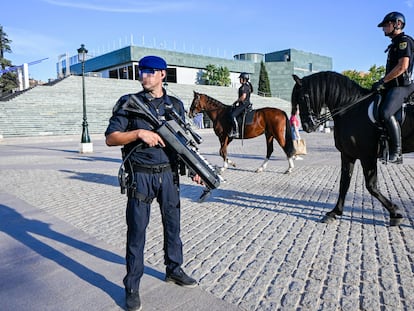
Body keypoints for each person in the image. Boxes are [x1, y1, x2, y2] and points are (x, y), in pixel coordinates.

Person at [105, 55, 201, 311]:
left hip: (169, 175)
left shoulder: (176, 105)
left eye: (149, 71)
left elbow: (182, 143)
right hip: (141, 176)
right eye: (141, 71)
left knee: (173, 227)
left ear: (162, 75)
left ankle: (174, 269)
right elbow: (111, 138)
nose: (144, 75)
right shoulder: (129, 103)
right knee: (137, 231)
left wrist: (194, 169)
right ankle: (132, 286)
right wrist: (138, 133)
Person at [373, 12, 414, 164]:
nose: (384, 28)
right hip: (392, 86)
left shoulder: (404, 41)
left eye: (386, 24)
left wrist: (383, 80)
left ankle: (396, 152)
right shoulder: (394, 44)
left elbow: (402, 67)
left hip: (403, 86)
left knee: (386, 112)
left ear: (397, 23)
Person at [229, 72, 253, 137]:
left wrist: (236, 102)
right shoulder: (248, 86)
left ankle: (235, 131)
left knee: (232, 115)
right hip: (246, 103)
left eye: (241, 78)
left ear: (244, 79)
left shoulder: (244, 87)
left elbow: (243, 97)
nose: (240, 80)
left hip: (243, 104)